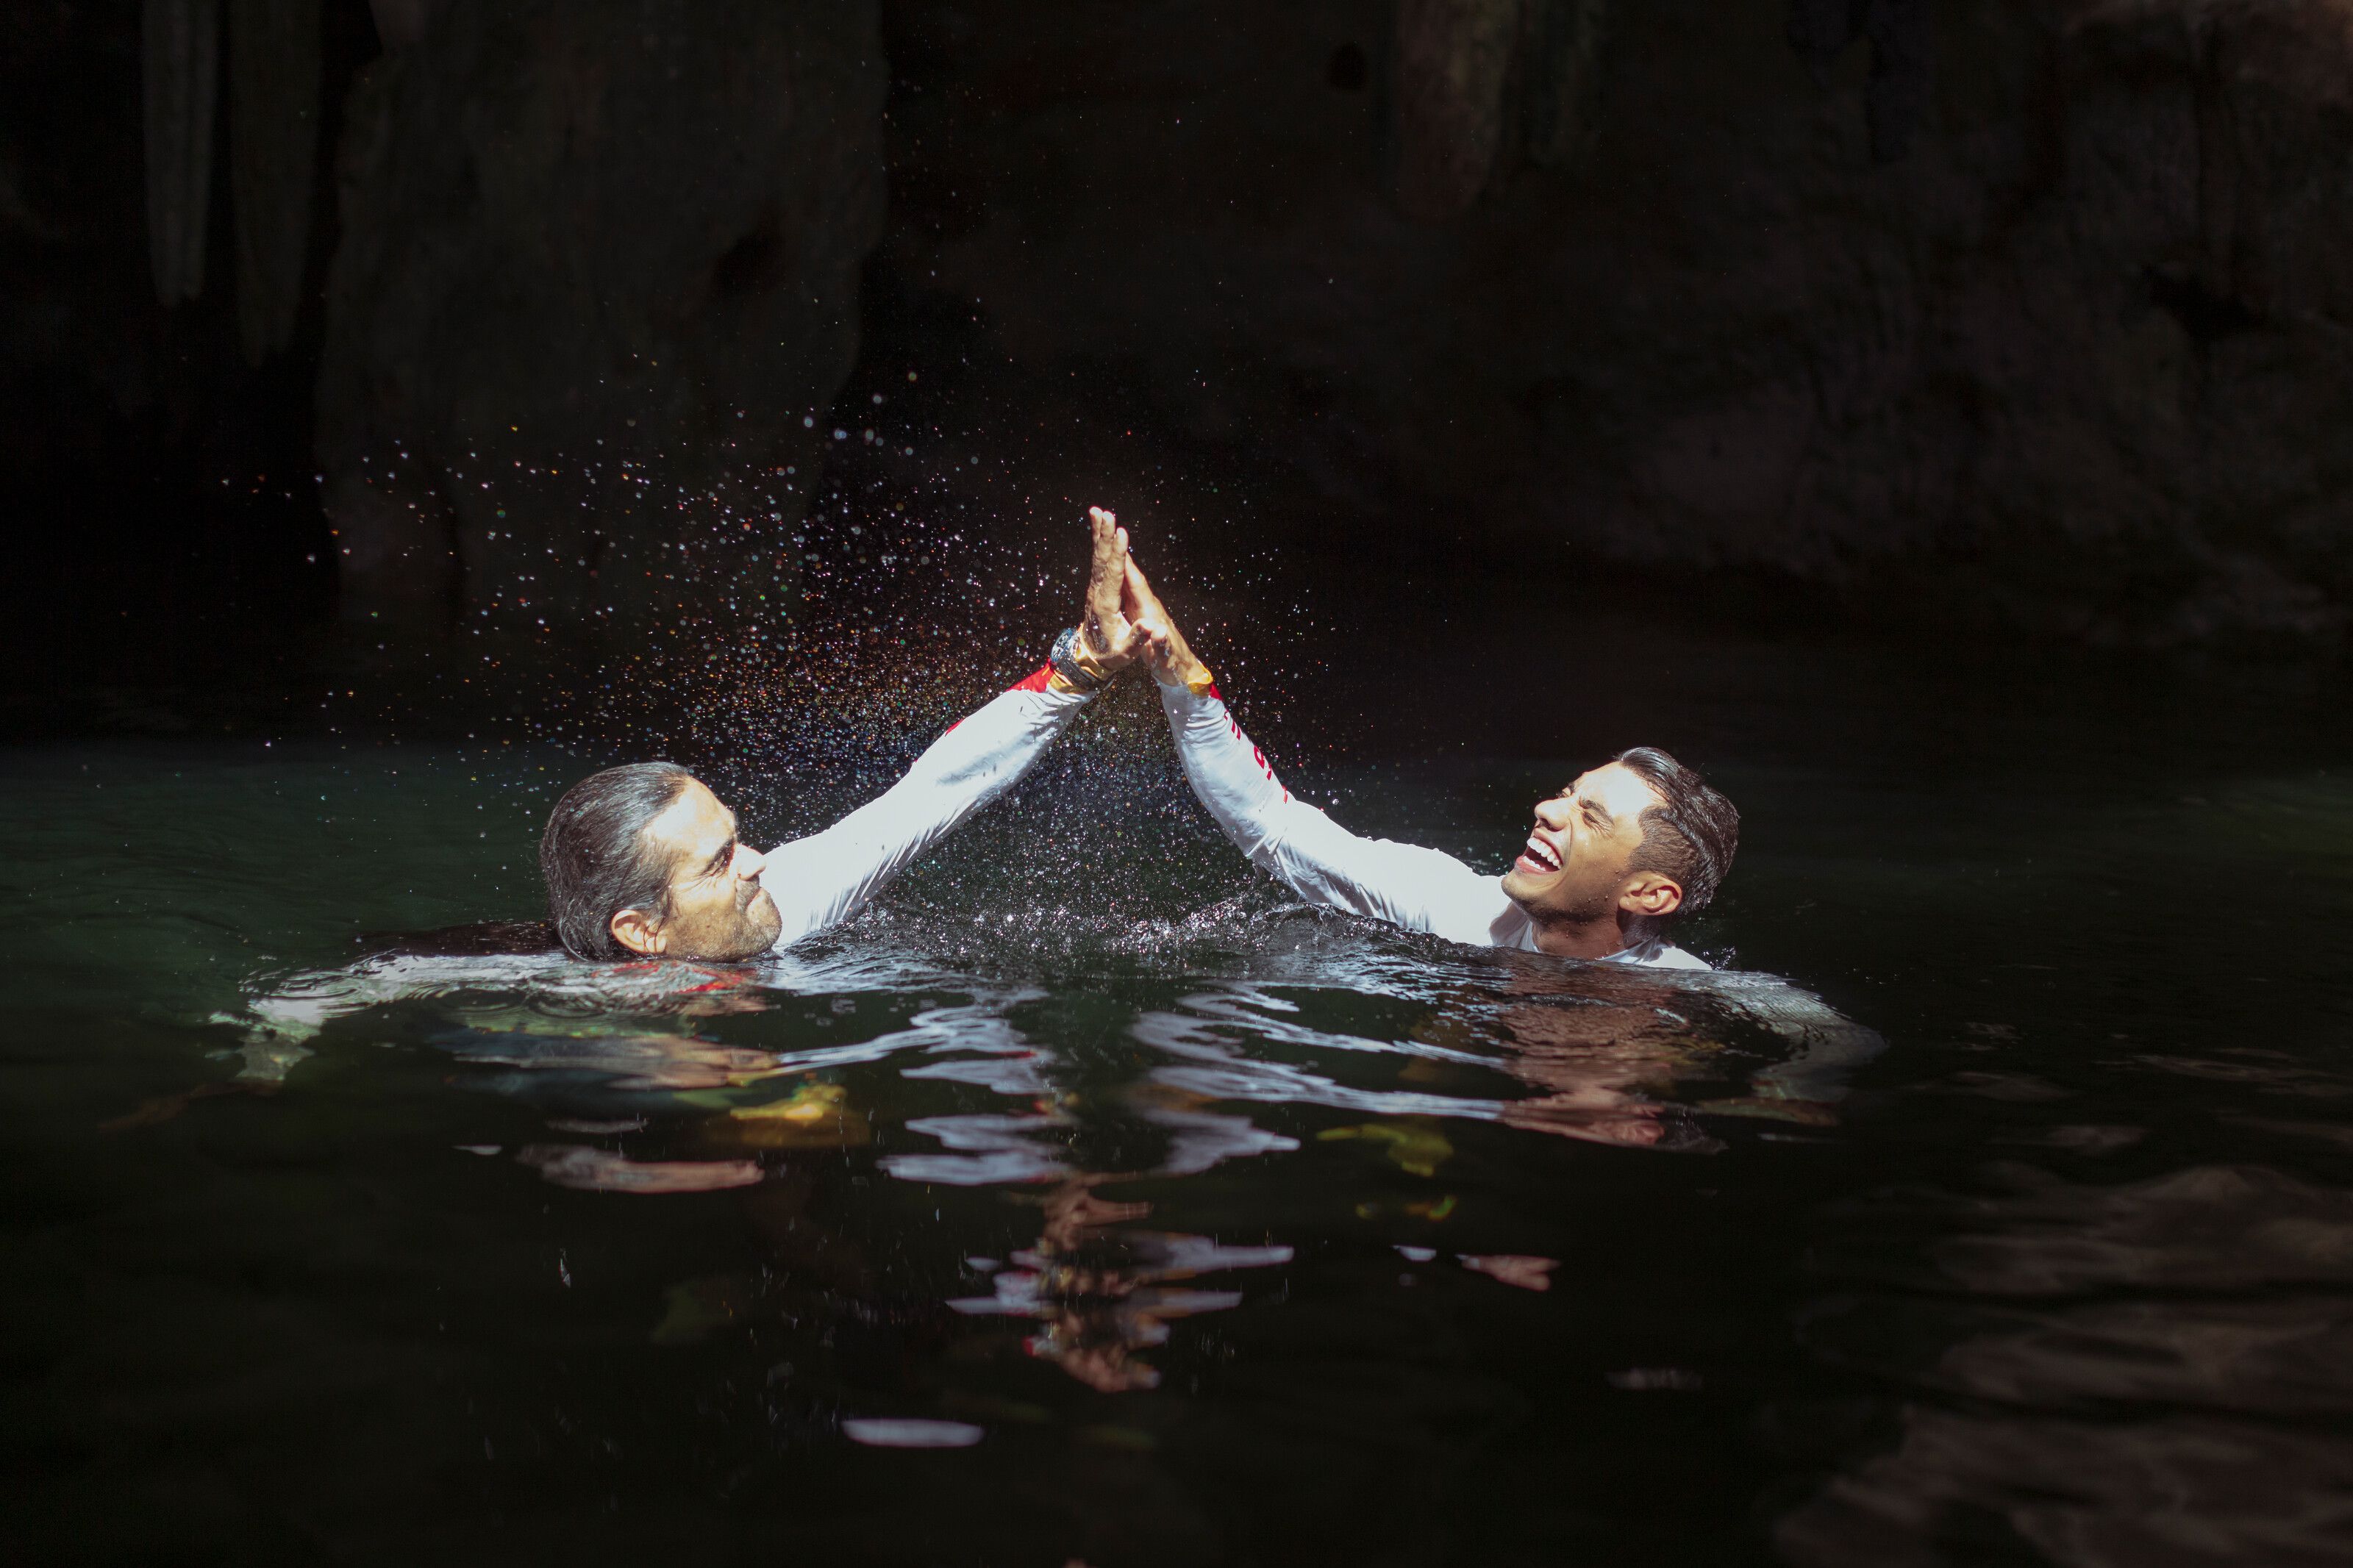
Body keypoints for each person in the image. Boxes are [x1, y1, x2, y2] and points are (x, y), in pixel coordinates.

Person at [1113, 520, 1738, 970]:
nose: (1547, 809)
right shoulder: (1456, 907)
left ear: (1649, 894)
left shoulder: (1690, 997)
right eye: (1568, 794)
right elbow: (1270, 825)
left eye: (1589, 816)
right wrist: (1177, 668)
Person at [538, 512, 1151, 962]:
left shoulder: (775, 907)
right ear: (643, 932)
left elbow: (928, 796)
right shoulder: (529, 999)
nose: (756, 864)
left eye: (737, 840)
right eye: (718, 864)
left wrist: (1082, 667)